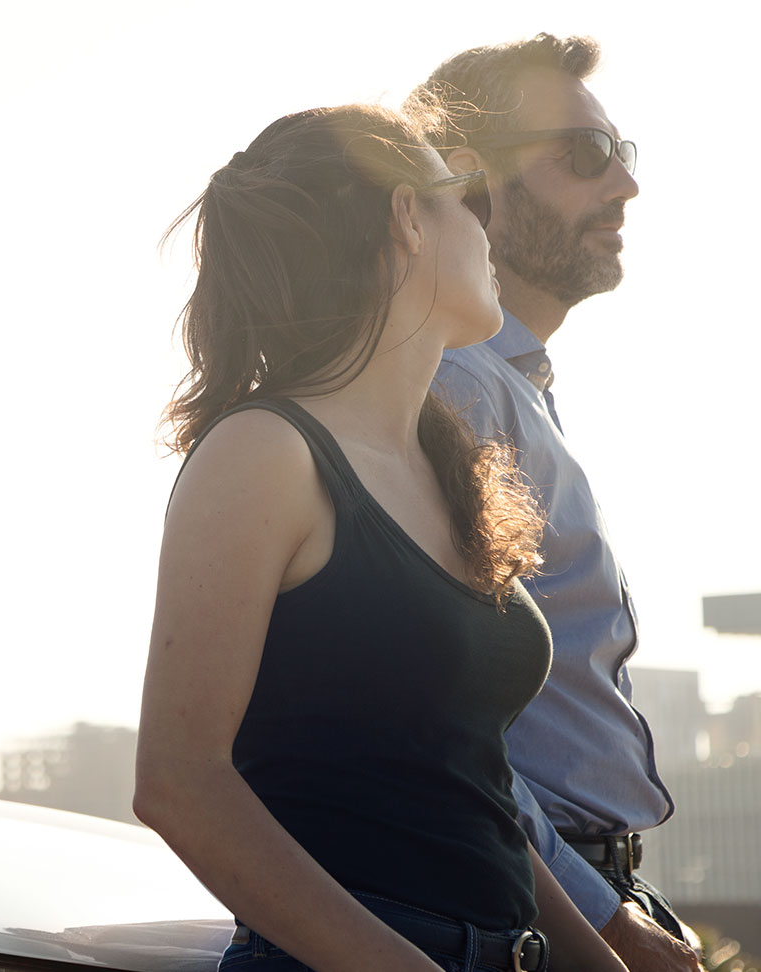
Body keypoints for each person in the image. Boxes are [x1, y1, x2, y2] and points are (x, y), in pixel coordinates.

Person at [132, 101, 627, 972]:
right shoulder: (264, 453)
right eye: (465, 198)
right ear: (406, 216)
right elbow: (180, 781)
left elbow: (480, 788)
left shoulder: (453, 464)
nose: (487, 227)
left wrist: (599, 962)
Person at [409, 35, 699, 972]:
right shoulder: (456, 387)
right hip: (527, 910)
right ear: (473, 183)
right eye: (583, 157)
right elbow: (440, 720)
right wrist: (603, 928)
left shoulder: (509, 382)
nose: (624, 188)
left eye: (622, 156)